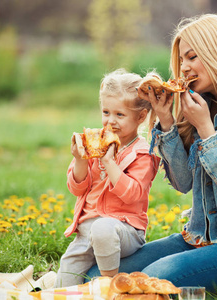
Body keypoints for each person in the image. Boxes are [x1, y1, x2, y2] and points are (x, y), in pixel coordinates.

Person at [87, 14, 217, 292]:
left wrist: (206, 129)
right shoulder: (201, 105)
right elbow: (183, 183)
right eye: (180, 61)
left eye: (191, 58)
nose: (183, 68)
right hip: (199, 238)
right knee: (95, 275)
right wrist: (166, 120)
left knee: (155, 277)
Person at [55, 69, 161, 287]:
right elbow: (77, 188)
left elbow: (132, 195)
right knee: (63, 286)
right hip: (85, 235)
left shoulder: (142, 154)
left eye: (119, 115)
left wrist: (110, 163)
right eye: (106, 112)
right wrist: (81, 159)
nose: (110, 121)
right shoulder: (96, 142)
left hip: (123, 231)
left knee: (103, 229)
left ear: (140, 117)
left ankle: (109, 285)